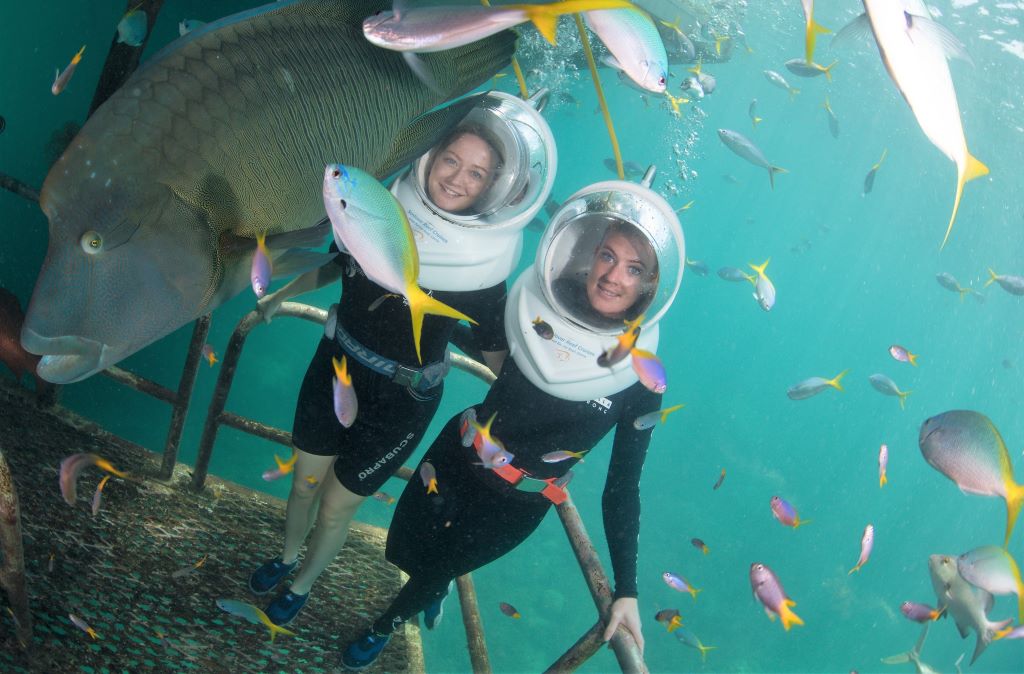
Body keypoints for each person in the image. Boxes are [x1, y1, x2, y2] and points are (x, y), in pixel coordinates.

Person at [340, 175, 685, 670]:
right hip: (454, 457)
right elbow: (470, 323)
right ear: (590, 252)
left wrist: (626, 589)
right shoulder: (541, 299)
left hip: (517, 504)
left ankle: (388, 623)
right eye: (607, 255)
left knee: (439, 567)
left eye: (634, 269)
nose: (613, 276)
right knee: (404, 550)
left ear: (651, 286)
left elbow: (622, 486)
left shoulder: (642, 376)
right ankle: (427, 587)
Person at [246, 91, 557, 627]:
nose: (458, 178)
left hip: (404, 398)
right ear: (430, 157)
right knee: (303, 482)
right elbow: (339, 261)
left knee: (339, 505)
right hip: (337, 363)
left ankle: (300, 585)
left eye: (478, 174)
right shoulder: (379, 207)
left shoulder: (483, 271)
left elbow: (496, 353)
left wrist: (536, 425)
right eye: (451, 160)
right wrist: (278, 296)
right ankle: (287, 555)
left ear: (495, 189)